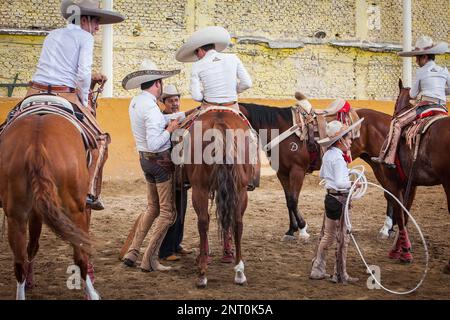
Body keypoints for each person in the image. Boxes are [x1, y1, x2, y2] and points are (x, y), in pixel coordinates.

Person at [1, 0, 125, 210]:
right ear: (84, 19)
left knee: (5, 129)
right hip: (64, 94)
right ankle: (90, 193)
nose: (97, 28)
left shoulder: (52, 34)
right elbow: (82, 74)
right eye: (96, 22)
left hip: (35, 91)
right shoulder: (85, 37)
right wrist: (85, 102)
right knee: (101, 141)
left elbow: (56, 67)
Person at [121, 60, 196, 271]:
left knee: (152, 208)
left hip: (145, 160)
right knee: (167, 213)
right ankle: (149, 259)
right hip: (159, 162)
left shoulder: (136, 103)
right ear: (158, 84)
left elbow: (158, 122)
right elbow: (156, 142)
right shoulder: (152, 109)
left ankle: (133, 251)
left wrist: (187, 113)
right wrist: (171, 129)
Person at [371, 36, 450, 168]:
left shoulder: (420, 72)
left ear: (424, 57)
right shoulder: (444, 71)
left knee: (396, 123)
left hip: (426, 107)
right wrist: (439, 90)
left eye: (417, 57)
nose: (416, 60)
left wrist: (421, 93)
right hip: (442, 108)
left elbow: (412, 94)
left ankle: (389, 158)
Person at [310, 118, 364, 284]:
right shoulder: (339, 158)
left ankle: (317, 269)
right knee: (343, 237)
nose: (350, 141)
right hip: (340, 199)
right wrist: (354, 183)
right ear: (340, 140)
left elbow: (322, 176)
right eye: (348, 138)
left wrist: (340, 178)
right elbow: (341, 183)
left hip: (330, 198)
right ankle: (340, 274)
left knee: (327, 235)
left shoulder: (328, 155)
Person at [175, 26, 252, 110]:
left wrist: (207, 95)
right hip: (232, 107)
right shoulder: (233, 58)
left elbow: (196, 96)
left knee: (197, 123)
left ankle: (197, 124)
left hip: (208, 107)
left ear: (200, 50)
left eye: (197, 54)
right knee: (246, 123)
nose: (198, 57)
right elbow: (247, 83)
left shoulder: (197, 65)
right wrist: (234, 90)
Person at [158, 84, 192, 261]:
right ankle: (166, 250)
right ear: (163, 102)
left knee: (181, 209)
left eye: (176, 100)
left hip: (181, 172)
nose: (175, 104)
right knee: (171, 211)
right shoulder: (162, 119)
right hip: (169, 171)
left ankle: (176, 244)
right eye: (171, 101)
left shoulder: (180, 118)